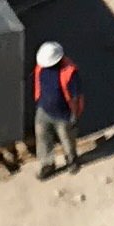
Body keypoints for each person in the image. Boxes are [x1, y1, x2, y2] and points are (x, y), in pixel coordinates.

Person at [32, 38, 83, 177]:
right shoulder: (41, 67)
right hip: (44, 111)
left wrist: (74, 114)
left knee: (67, 139)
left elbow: (76, 96)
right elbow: (38, 85)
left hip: (63, 115)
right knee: (42, 138)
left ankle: (71, 160)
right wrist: (39, 102)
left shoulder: (70, 73)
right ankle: (47, 164)